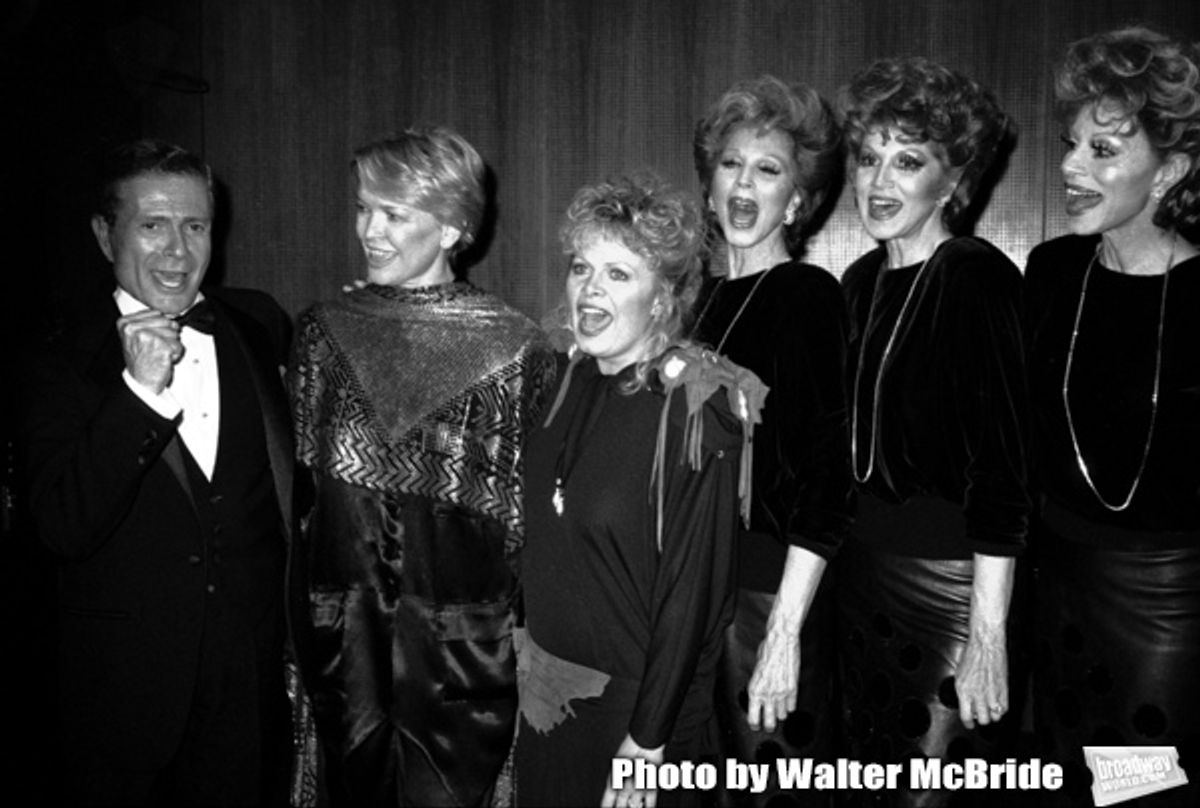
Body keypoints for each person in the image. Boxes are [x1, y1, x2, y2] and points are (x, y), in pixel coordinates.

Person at [20, 139, 295, 806]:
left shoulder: (258, 327)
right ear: (104, 234)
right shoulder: (52, 359)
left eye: (194, 226)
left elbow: (287, 492)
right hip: (123, 706)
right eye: (153, 225)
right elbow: (59, 525)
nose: (177, 251)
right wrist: (138, 395)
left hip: (249, 696)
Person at [287, 126, 556, 807]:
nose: (368, 230)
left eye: (394, 214)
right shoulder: (322, 331)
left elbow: (531, 534)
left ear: (451, 228)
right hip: (344, 649)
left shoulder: (514, 349)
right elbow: (303, 504)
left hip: (461, 661)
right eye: (363, 208)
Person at [513, 172, 764, 808]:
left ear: (662, 297)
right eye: (580, 268)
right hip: (549, 698)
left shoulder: (695, 408)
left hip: (635, 719)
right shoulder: (567, 380)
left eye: (619, 274)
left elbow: (693, 594)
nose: (590, 289)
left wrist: (647, 742)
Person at [836, 58, 1029, 806]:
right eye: (869, 155)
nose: (880, 179)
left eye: (908, 160)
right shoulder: (857, 282)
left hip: (949, 595)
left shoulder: (976, 275)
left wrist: (988, 638)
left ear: (952, 181)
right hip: (861, 584)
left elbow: (1005, 475)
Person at [1026, 27, 1200, 807]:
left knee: (1136, 792)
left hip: (1167, 606)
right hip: (1055, 587)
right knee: (1062, 786)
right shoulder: (1053, 271)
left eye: (1102, 149)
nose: (1071, 165)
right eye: (1073, 143)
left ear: (1168, 171)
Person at [688, 75, 851, 807]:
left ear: (800, 199)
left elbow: (827, 478)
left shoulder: (808, 297)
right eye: (731, 164)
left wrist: (783, 633)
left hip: (766, 600)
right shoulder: (697, 302)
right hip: (698, 594)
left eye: (768, 168)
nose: (744, 184)